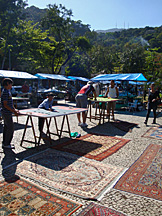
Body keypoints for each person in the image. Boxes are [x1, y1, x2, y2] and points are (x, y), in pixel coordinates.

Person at [1, 78, 19, 149]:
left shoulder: (7, 91)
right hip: (6, 112)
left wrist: (14, 109)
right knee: (10, 128)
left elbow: (10, 103)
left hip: (8, 112)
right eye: (10, 84)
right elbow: (5, 104)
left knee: (6, 127)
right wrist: (13, 111)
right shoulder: (5, 91)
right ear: (7, 84)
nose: (11, 85)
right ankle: (7, 143)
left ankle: (5, 142)